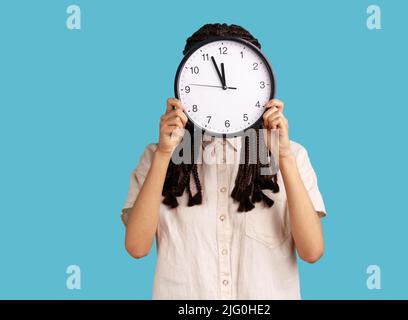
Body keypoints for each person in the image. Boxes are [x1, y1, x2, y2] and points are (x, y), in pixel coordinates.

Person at [121, 23, 327, 299]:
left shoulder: (291, 155)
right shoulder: (158, 156)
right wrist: (163, 155)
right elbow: (137, 247)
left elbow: (312, 251)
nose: (224, 91)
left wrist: (284, 157)